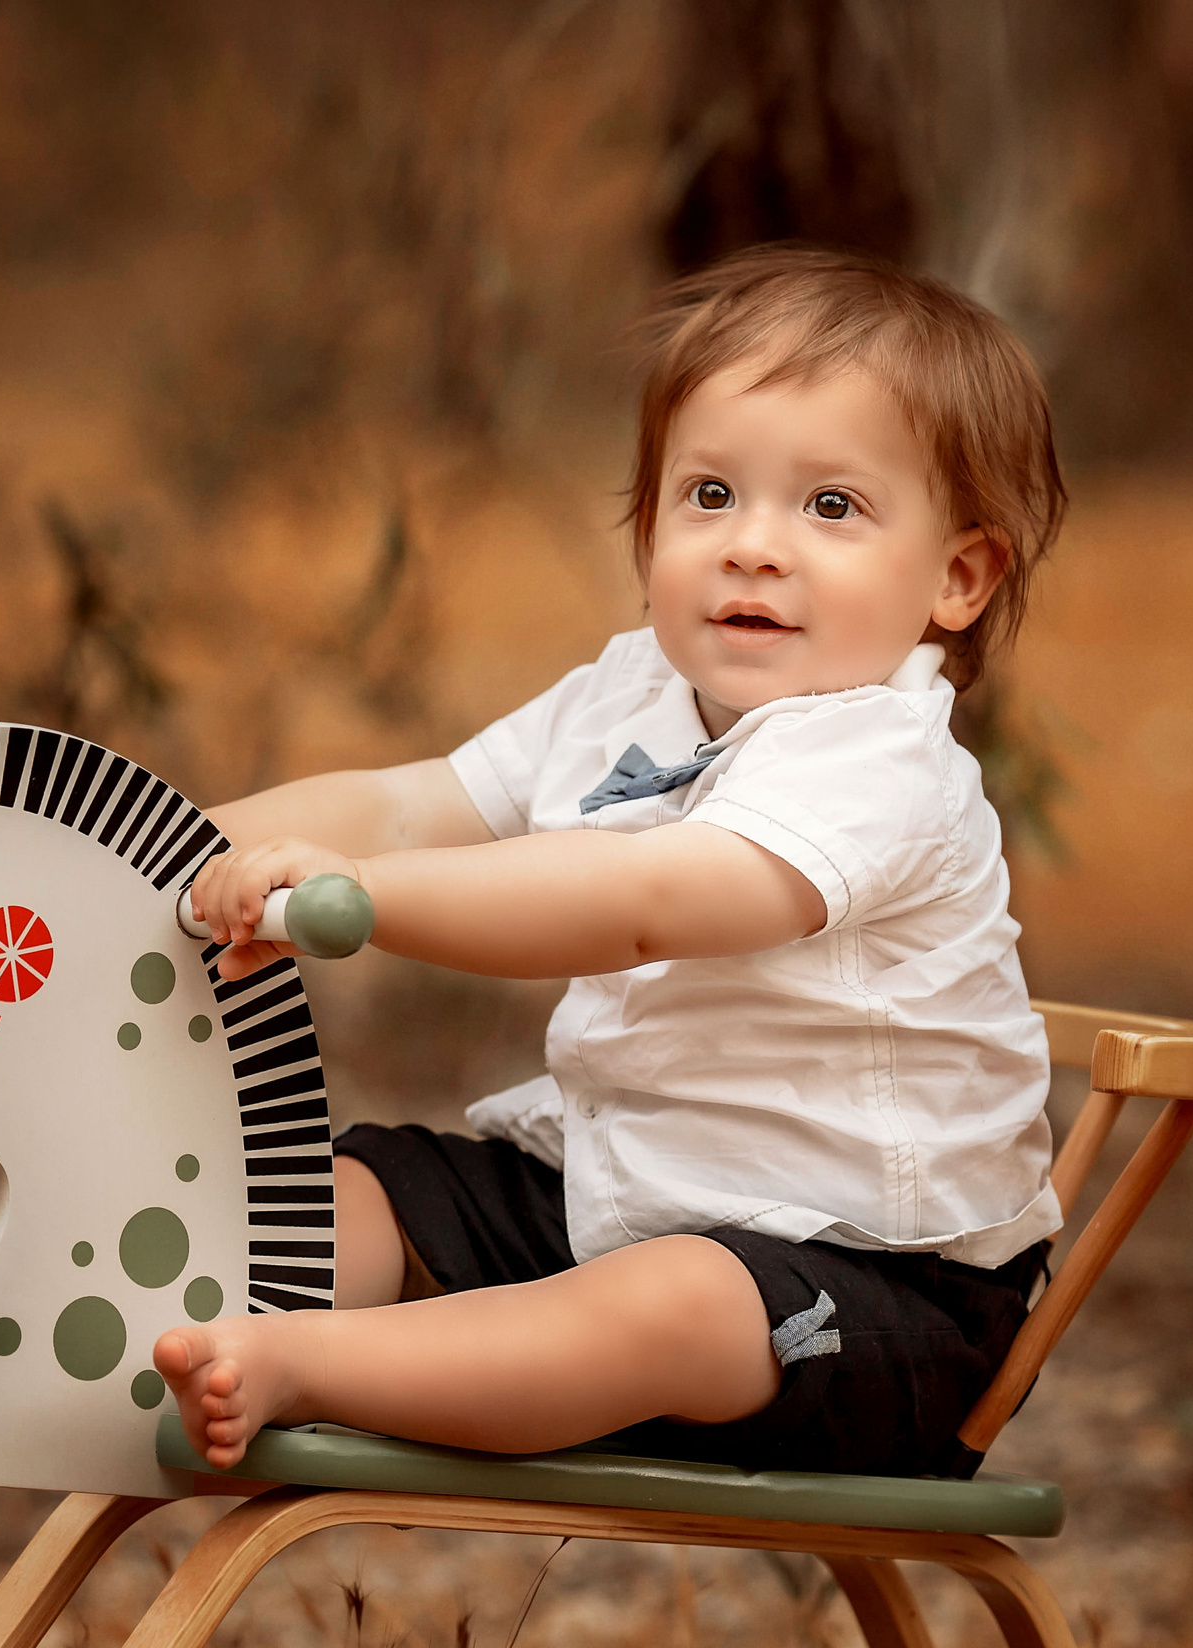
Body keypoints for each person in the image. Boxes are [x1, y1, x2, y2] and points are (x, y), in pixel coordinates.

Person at [159, 244, 1069, 1480]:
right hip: (617, 1187)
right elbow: (409, 800)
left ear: (956, 575)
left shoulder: (880, 764)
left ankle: (300, 1364)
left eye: (830, 506)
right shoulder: (626, 689)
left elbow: (643, 903)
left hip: (874, 1290)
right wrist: (165, 853)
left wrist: (357, 900)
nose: (753, 545)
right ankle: (178, 1332)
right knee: (366, 1187)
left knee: (672, 1302)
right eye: (708, 495)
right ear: (646, 527)